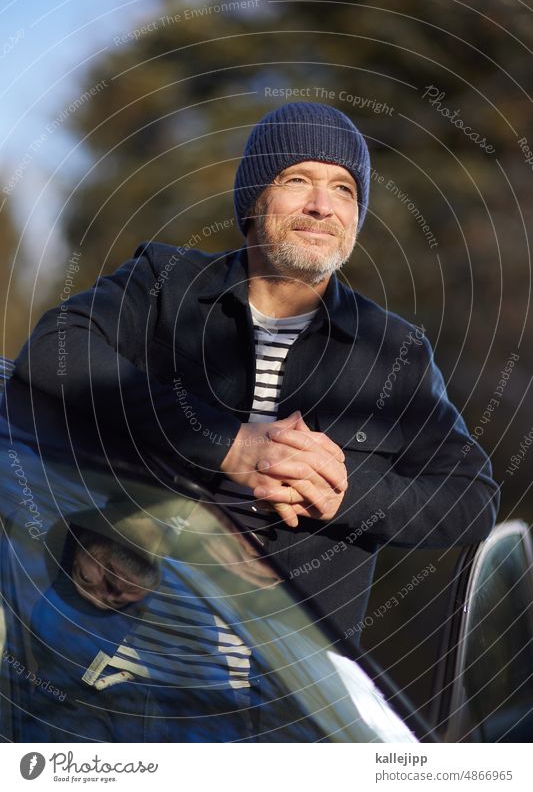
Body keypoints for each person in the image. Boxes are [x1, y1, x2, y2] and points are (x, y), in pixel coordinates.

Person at [13, 101, 499, 647]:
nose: (323, 206)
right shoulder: (164, 284)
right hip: (120, 645)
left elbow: (471, 499)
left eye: (345, 189)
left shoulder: (395, 352)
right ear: (253, 200)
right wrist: (226, 445)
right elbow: (53, 350)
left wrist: (343, 494)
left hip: (291, 692)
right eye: (298, 179)